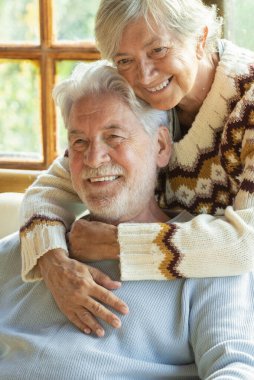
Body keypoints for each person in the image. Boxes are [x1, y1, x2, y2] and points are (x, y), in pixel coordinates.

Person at [1, 61, 254, 379]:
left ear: (160, 146)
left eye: (114, 137)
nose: (94, 159)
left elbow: (235, 370)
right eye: (79, 142)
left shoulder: (208, 265)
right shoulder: (25, 250)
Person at [20, 0, 254, 332]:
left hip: (232, 310)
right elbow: (48, 190)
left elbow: (248, 244)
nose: (143, 75)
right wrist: (54, 263)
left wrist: (117, 243)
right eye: (125, 60)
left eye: (158, 50)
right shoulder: (144, 98)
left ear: (201, 38)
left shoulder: (249, 104)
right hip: (173, 309)